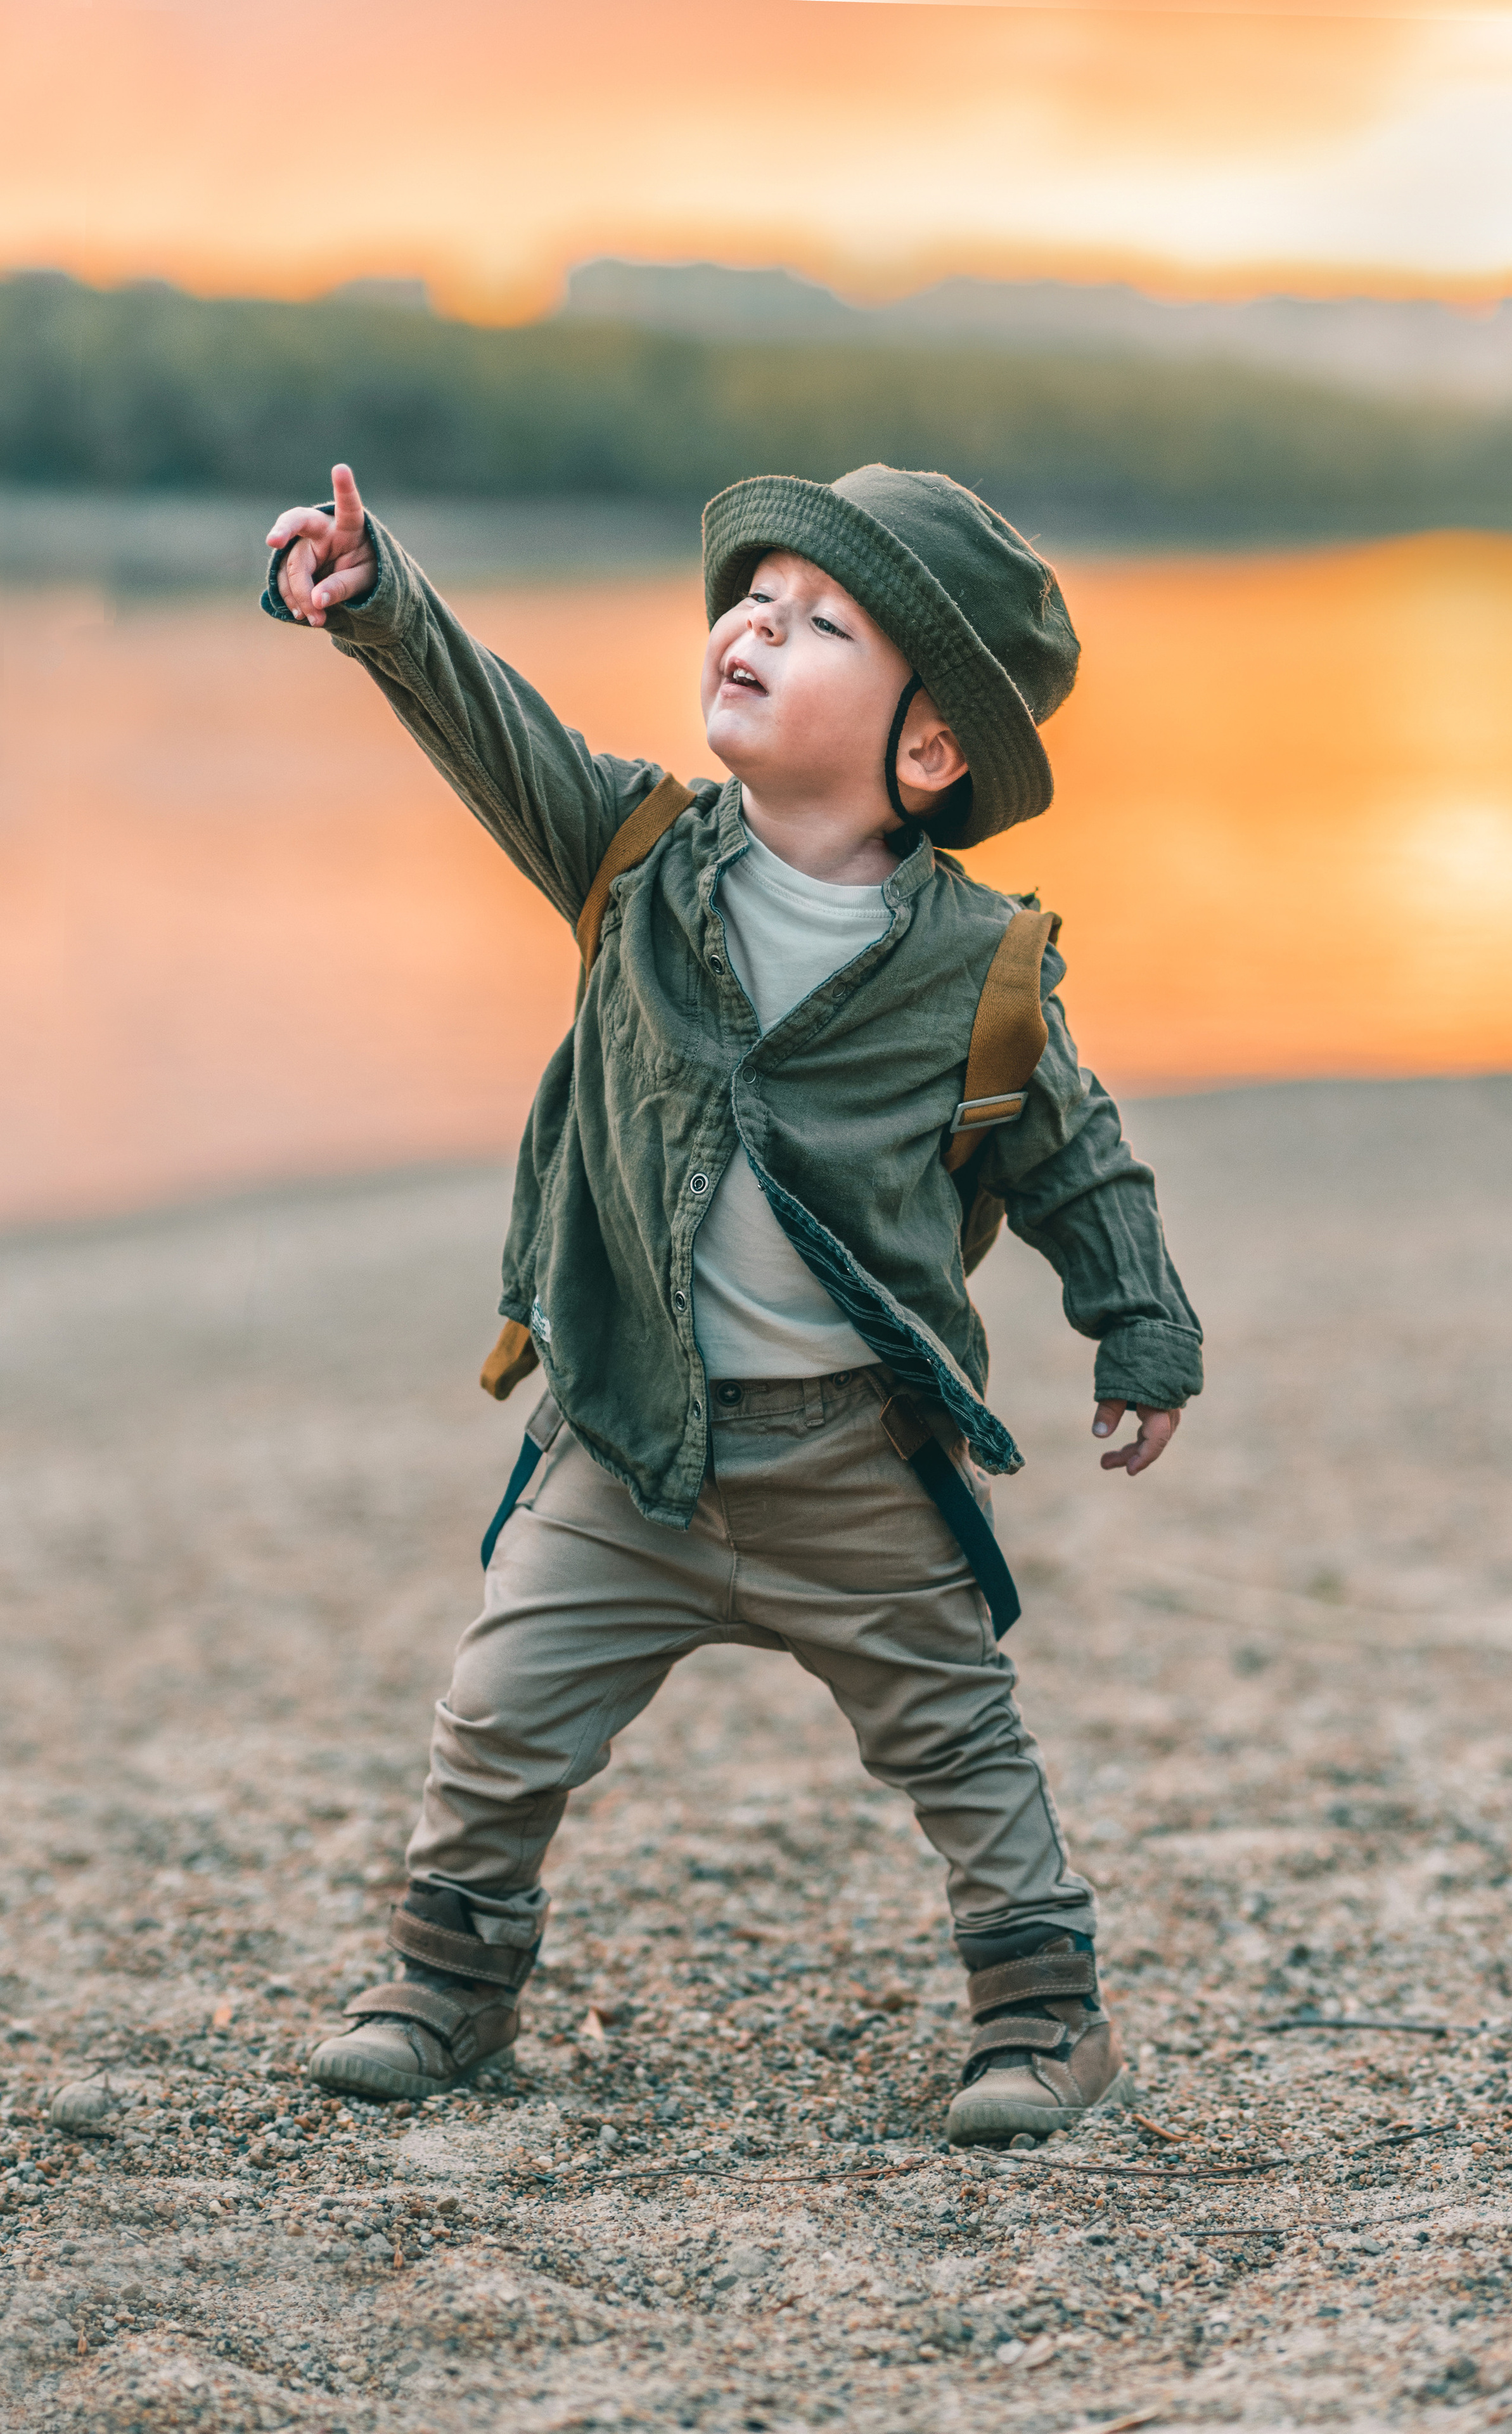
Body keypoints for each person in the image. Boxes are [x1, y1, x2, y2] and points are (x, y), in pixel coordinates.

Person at [260, 460, 1202, 2145]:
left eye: (823, 619)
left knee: (961, 1741)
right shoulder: (633, 856)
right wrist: (381, 599)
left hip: (855, 1463)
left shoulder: (977, 969)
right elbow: (499, 729)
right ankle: (447, 1981)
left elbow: (1078, 1156)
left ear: (928, 750)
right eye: (751, 599)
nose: (757, 624)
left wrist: (1140, 1325)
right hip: (632, 1441)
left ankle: (1044, 2014)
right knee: (497, 1711)